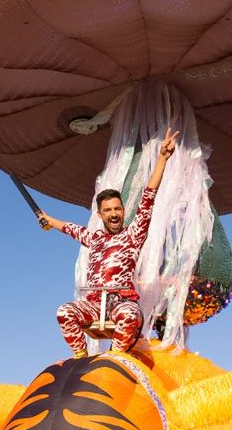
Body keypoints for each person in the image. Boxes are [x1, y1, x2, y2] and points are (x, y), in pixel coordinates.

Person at [35, 128, 177, 356]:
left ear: (123, 211)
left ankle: (115, 358)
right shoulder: (94, 237)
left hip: (121, 303)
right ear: (100, 214)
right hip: (94, 304)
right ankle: (81, 357)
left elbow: (148, 197)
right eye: (108, 210)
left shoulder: (133, 234)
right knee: (64, 311)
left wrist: (162, 159)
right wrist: (49, 220)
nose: (113, 214)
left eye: (117, 209)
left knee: (130, 316)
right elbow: (70, 228)